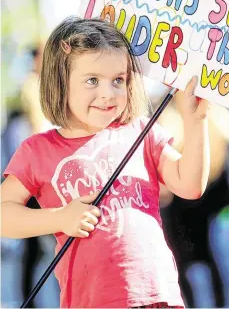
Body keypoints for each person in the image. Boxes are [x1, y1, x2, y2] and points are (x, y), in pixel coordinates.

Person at [1, 16, 210, 308]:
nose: (107, 93)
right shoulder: (38, 149)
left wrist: (196, 121)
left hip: (157, 298)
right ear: (60, 81)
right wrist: (60, 218)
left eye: (118, 80)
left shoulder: (141, 132)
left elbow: (190, 185)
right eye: (92, 80)